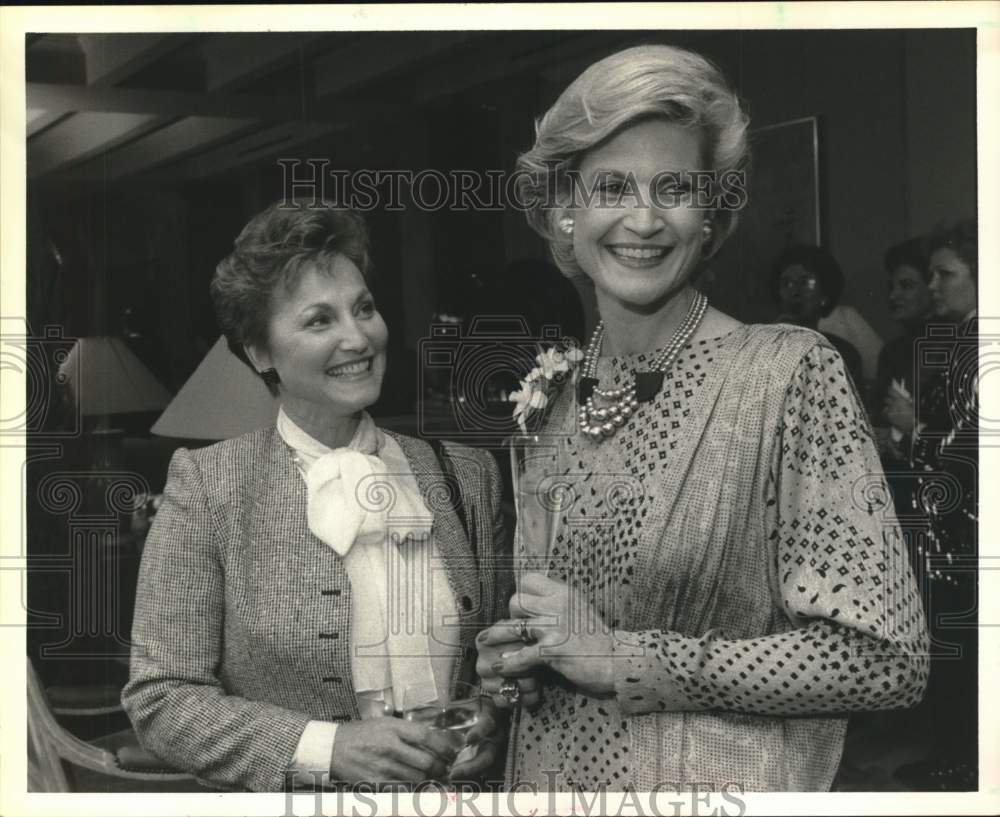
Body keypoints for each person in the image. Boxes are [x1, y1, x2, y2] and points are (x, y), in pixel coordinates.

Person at [475, 44, 929, 792]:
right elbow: (571, 632)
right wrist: (517, 666)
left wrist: (626, 660)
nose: (644, 219)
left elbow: (884, 658)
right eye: (613, 186)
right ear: (564, 212)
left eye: (675, 189)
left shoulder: (784, 374)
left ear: (710, 214)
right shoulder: (548, 400)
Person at [122, 201, 508, 792]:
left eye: (364, 309)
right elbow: (162, 700)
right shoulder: (207, 486)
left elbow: (500, 661)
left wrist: (492, 719)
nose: (357, 337)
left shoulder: (467, 474)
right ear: (260, 352)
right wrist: (328, 748)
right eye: (319, 320)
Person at [891, 219, 978, 790]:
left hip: (966, 532)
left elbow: (978, 446)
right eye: (932, 274)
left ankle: (962, 766)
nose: (935, 285)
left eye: (946, 273)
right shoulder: (967, 339)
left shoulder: (983, 343)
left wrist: (909, 430)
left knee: (961, 648)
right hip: (956, 527)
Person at [872, 238, 934, 515]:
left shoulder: (957, 348)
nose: (893, 296)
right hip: (894, 491)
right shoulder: (892, 352)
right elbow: (876, 418)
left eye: (906, 286)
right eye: (892, 287)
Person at [770, 244, 867, 399]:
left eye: (806, 283)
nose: (795, 292)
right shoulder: (765, 347)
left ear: (824, 296)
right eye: (787, 283)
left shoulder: (843, 353)